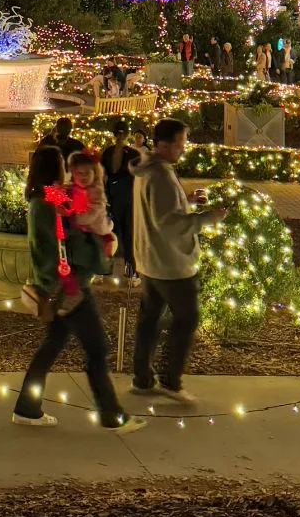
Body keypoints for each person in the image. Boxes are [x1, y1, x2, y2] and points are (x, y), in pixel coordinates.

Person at [11, 146, 145, 434]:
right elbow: (58, 249)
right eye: (62, 165)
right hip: (70, 288)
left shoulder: (45, 198)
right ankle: (111, 416)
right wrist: (98, 250)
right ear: (53, 169)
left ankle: (27, 408)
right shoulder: (46, 204)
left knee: (52, 347)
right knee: (97, 349)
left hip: (63, 286)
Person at [129, 118, 227, 403]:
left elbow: (161, 210)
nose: (183, 148)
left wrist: (186, 201)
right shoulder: (160, 175)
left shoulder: (147, 170)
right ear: (162, 144)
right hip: (170, 264)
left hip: (150, 259)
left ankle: (143, 378)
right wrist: (208, 218)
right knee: (186, 318)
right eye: (179, 143)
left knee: (149, 321)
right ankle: (170, 380)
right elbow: (170, 224)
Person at [100, 120, 141, 277]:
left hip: (114, 197)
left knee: (110, 235)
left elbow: (103, 175)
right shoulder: (133, 154)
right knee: (127, 235)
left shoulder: (108, 152)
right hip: (127, 198)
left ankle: (106, 269)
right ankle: (130, 271)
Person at [66, 151, 119, 262]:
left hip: (97, 231)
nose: (83, 176)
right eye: (79, 173)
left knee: (98, 256)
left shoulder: (96, 192)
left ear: (95, 173)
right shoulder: (74, 189)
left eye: (87, 173)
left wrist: (74, 217)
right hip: (83, 231)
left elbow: (91, 213)